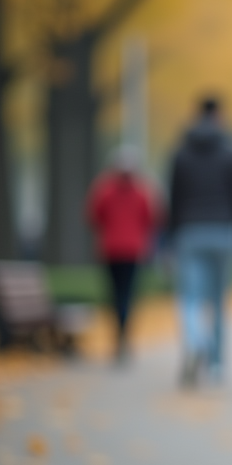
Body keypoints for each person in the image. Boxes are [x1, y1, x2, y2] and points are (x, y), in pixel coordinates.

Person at [167, 95, 232, 386]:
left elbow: (173, 197)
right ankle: (215, 364)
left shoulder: (180, 153)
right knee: (218, 301)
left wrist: (171, 232)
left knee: (190, 297)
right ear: (219, 116)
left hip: (189, 230)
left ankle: (195, 342)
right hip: (225, 230)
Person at [86, 147, 159, 363]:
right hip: (134, 250)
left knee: (115, 293)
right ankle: (124, 336)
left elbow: (93, 215)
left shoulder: (105, 188)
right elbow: (152, 217)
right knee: (128, 293)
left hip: (111, 249)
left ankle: (119, 335)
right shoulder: (141, 190)